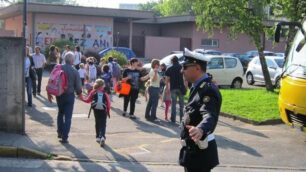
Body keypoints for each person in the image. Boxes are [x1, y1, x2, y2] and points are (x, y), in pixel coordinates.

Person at [179, 48, 222, 172]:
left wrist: (201, 128)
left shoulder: (207, 89)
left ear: (197, 68)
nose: (182, 70)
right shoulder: (197, 87)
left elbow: (209, 114)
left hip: (200, 155)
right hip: (193, 152)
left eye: (185, 67)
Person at [47, 52, 82, 144]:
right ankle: (65, 137)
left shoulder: (58, 67)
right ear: (72, 60)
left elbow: (51, 79)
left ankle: (60, 131)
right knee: (68, 117)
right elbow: (78, 86)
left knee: (60, 113)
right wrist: (80, 94)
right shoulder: (75, 71)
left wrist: (49, 92)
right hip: (69, 95)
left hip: (59, 94)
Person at [80, 79, 111, 147]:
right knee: (103, 123)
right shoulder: (104, 92)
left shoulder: (93, 92)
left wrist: (81, 97)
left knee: (97, 122)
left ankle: (97, 137)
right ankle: (102, 136)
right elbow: (108, 103)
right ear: (102, 85)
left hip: (96, 109)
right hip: (103, 109)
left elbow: (87, 100)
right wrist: (108, 110)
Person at [165, 56, 187, 123]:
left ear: (172, 61)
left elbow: (167, 80)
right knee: (181, 105)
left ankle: (173, 119)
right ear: (178, 60)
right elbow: (185, 78)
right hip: (181, 88)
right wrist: (186, 87)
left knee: (173, 104)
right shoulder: (182, 67)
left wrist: (167, 88)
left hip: (173, 88)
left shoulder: (169, 68)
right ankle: (182, 120)